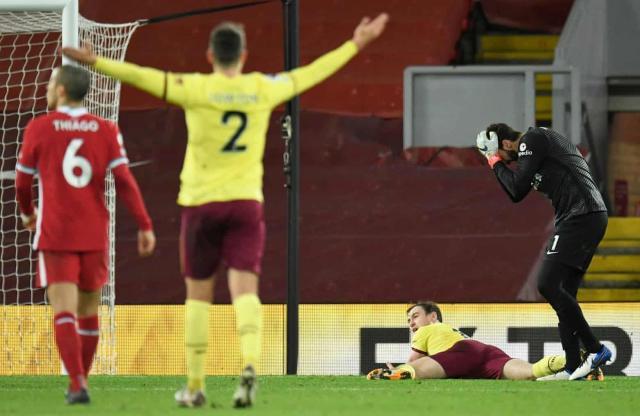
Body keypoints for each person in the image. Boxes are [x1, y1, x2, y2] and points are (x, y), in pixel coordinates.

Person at [62, 13, 389, 408]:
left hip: (200, 205)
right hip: (245, 204)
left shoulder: (195, 88)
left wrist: (97, 62)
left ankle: (195, 385)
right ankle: (249, 365)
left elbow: (142, 76)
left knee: (198, 296)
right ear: (244, 55)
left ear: (210, 56)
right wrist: (356, 43)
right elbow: (311, 73)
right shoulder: (261, 88)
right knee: (245, 292)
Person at [15, 65, 156, 404]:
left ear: (61, 90)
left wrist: (28, 213)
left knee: (63, 310)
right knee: (89, 310)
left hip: (55, 233)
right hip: (93, 233)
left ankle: (77, 383)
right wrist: (144, 224)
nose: (47, 89)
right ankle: (82, 382)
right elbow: (124, 181)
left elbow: (21, 182)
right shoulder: (105, 129)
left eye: (50, 84)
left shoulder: (39, 127)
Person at [475, 124, 611, 380]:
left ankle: (595, 350)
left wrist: (493, 160)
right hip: (586, 215)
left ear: (506, 144)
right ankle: (573, 365)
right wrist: (496, 160)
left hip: (581, 215)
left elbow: (516, 190)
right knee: (564, 292)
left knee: (547, 283)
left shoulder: (532, 139)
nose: (509, 162)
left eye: (503, 155)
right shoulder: (538, 143)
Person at [367, 302, 566, 381]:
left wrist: (399, 369)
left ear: (433, 316)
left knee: (411, 371)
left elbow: (415, 361)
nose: (411, 323)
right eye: (408, 320)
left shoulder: (427, 329)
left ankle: (394, 375)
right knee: (531, 372)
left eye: (415, 316)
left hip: (460, 354)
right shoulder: (449, 330)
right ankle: (568, 362)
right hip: (486, 352)